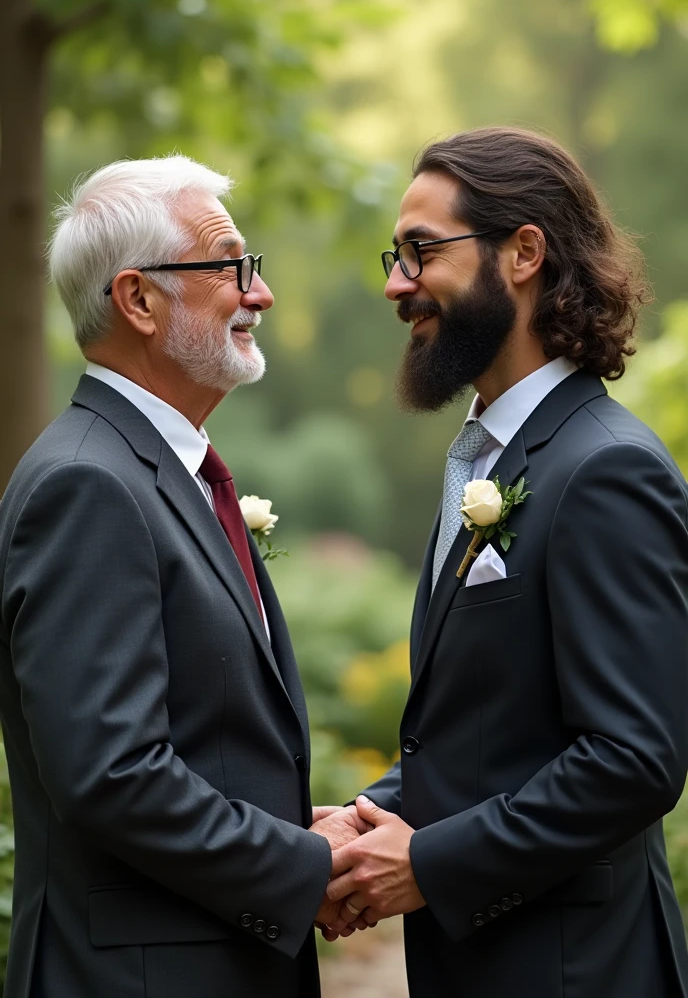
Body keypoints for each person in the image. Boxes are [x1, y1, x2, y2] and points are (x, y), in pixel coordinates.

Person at [324, 127, 688, 996]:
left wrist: (433, 865)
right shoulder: (489, 457)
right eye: (395, 254)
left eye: (422, 253)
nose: (395, 283)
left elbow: (636, 758)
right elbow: (494, 731)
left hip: (576, 972)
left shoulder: (606, 468)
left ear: (523, 253)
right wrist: (372, 819)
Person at [0, 156, 366, 998]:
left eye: (254, 267)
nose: (259, 294)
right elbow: (113, 774)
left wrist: (289, 832)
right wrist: (303, 867)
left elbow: (201, 741)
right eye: (230, 267)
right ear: (138, 301)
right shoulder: (87, 484)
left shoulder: (155, 472)